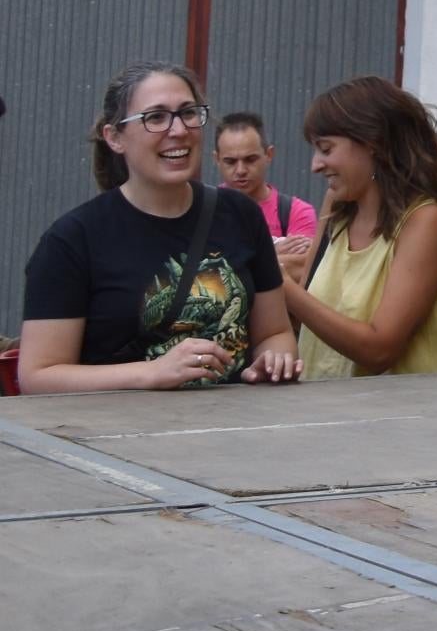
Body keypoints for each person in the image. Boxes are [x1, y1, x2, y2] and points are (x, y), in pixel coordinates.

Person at [18, 64, 300, 391]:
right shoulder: (71, 240)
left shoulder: (241, 215)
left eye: (188, 113)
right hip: (117, 436)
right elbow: (38, 376)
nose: (178, 129)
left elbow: (274, 334)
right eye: (155, 118)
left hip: (233, 431)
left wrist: (274, 359)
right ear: (114, 137)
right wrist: (151, 373)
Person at [281, 77, 437, 379]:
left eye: (326, 149)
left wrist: (285, 289)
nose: (315, 165)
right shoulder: (336, 207)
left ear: (373, 144)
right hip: (325, 414)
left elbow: (380, 349)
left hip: (406, 419)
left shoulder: (426, 221)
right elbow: (306, 318)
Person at [216, 109, 318, 277]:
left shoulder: (297, 212)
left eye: (250, 159)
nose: (240, 170)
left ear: (269, 154)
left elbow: (302, 267)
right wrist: (271, 252)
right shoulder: (203, 208)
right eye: (231, 161)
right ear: (216, 159)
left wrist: (231, 259)